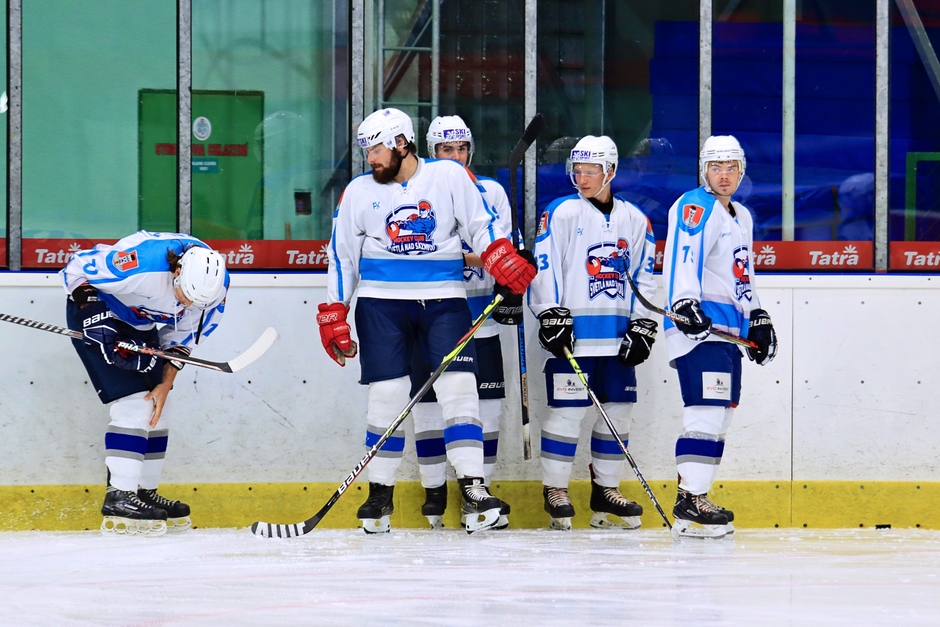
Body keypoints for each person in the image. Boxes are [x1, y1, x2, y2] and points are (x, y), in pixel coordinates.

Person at [319, 107, 536, 534]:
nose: (370, 159)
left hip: (444, 303)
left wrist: (501, 258)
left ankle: (473, 486)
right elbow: (342, 257)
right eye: (366, 151)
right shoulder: (358, 191)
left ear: (401, 143)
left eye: (376, 149)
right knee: (387, 395)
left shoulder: (449, 177)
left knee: (459, 387)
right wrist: (334, 311)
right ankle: (380, 492)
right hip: (381, 306)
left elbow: (481, 226)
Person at [528, 135, 659, 530]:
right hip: (574, 337)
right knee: (567, 413)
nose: (582, 179)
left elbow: (645, 276)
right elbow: (544, 266)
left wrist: (643, 323)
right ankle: (556, 489)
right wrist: (550, 314)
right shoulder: (561, 212)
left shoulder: (636, 220)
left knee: (618, 414)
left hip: (617, 338)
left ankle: (606, 489)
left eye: (590, 171)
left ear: (611, 172)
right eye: (577, 171)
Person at [61, 231, 229, 536]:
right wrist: (92, 313)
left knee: (159, 404)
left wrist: (165, 384)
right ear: (177, 272)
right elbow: (77, 266)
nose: (189, 304)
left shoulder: (215, 290)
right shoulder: (143, 263)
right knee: (134, 404)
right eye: (186, 296)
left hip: (141, 323)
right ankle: (119, 496)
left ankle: (142, 491)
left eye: (197, 302)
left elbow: (181, 340)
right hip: (101, 313)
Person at [662, 135, 778, 539]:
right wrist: (684, 303)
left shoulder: (741, 215)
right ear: (704, 170)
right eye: (716, 167)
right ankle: (691, 500)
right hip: (699, 328)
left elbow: (742, 277)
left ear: (741, 171)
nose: (723, 175)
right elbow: (683, 257)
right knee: (705, 412)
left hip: (729, 332)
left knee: (721, 416)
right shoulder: (695, 205)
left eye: (731, 167)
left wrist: (757, 315)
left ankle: (693, 501)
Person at [408, 115, 520, 530]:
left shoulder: (492, 192)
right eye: (446, 149)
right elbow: (421, 252)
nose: (455, 156)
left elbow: (502, 249)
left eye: (461, 148)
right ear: (431, 151)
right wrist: (479, 256)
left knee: (486, 412)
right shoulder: (417, 192)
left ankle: (479, 496)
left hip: (482, 320)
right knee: (429, 411)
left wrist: (511, 278)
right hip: (430, 318)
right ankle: (434, 493)